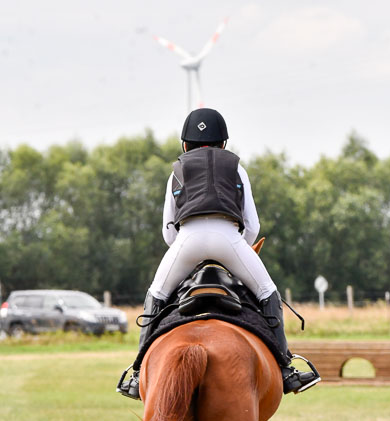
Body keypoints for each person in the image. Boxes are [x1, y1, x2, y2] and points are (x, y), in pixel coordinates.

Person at [126, 107, 320, 400]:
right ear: (224, 144)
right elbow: (252, 225)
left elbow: (168, 232)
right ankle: (286, 369)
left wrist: (188, 253)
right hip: (229, 239)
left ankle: (137, 373)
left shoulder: (176, 170)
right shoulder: (236, 168)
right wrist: (238, 248)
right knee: (268, 292)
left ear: (184, 144)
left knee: (157, 294)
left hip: (187, 241)